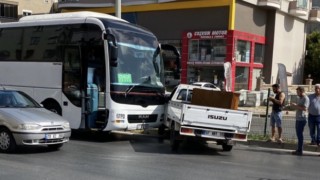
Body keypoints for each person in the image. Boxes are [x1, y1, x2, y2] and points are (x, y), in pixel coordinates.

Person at [290, 86, 309, 155]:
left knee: (300, 135)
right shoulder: (300, 98)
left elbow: (305, 109)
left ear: (302, 91)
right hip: (298, 118)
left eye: (298, 92)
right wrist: (295, 105)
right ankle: (298, 149)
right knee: (298, 135)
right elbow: (299, 107)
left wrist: (296, 106)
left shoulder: (305, 98)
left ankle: (300, 150)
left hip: (302, 119)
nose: (297, 93)